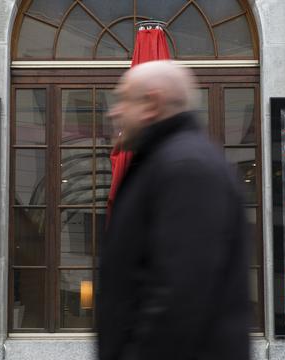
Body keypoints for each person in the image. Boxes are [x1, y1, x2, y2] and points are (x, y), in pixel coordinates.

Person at [98, 60, 250, 360]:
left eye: (123, 100)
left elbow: (180, 295)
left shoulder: (186, 167)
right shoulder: (166, 161)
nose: (114, 112)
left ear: (151, 103)